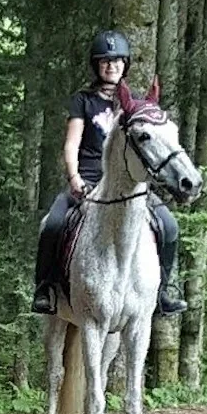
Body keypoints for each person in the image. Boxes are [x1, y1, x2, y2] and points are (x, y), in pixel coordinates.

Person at [31, 30, 188, 317]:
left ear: (125, 64)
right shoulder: (83, 100)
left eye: (117, 61)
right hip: (89, 182)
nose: (111, 66)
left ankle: (164, 291)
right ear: (96, 65)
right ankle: (45, 288)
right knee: (52, 224)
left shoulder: (136, 106)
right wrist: (74, 177)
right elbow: (71, 144)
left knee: (169, 226)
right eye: (105, 61)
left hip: (129, 186)